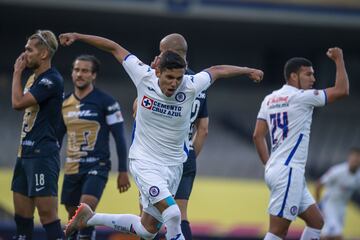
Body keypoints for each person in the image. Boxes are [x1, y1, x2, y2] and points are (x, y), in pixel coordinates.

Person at [59, 32, 263, 240]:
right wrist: (77, 36)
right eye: (169, 78)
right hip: (145, 162)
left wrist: (248, 71)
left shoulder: (191, 85)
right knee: (173, 214)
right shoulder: (143, 76)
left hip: (173, 167)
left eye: (178, 78)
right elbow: (114, 47)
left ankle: (90, 218)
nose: (174, 84)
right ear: (158, 73)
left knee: (147, 230)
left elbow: (216, 71)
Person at [253, 47, 350, 240]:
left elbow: (257, 135)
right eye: (308, 74)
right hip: (289, 171)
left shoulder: (269, 99)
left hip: (277, 169)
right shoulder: (302, 97)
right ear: (293, 76)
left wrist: (269, 164)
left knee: (316, 222)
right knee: (278, 231)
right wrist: (339, 59)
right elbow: (342, 90)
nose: (313, 79)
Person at [133, 33, 209, 240]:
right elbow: (203, 128)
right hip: (184, 156)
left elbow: (136, 112)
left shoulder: (163, 79)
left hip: (155, 156)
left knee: (148, 219)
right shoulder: (197, 81)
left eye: (162, 51)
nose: (159, 55)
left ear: (172, 53)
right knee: (181, 215)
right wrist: (190, 155)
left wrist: (151, 76)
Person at [57, 54, 130, 240]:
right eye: (76, 70)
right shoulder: (64, 103)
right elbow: (57, 137)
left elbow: (119, 136)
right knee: (73, 217)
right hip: (72, 167)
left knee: (84, 211)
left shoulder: (107, 102)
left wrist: (123, 170)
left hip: (97, 166)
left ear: (94, 75)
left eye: (85, 71)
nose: (79, 74)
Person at [11, 30, 64, 240]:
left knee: (47, 217)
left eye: (29, 49)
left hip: (42, 155)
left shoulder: (51, 80)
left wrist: (16, 72)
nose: (25, 54)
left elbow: (17, 103)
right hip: (24, 154)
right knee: (22, 218)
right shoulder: (35, 78)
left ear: (43, 54)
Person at [315, 148, 360, 240]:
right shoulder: (338, 171)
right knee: (337, 235)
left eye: (358, 158)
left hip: (341, 208)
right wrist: (318, 203)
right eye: (354, 158)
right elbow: (319, 183)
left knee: (327, 236)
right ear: (349, 158)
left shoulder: (358, 176)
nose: (355, 160)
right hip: (329, 205)